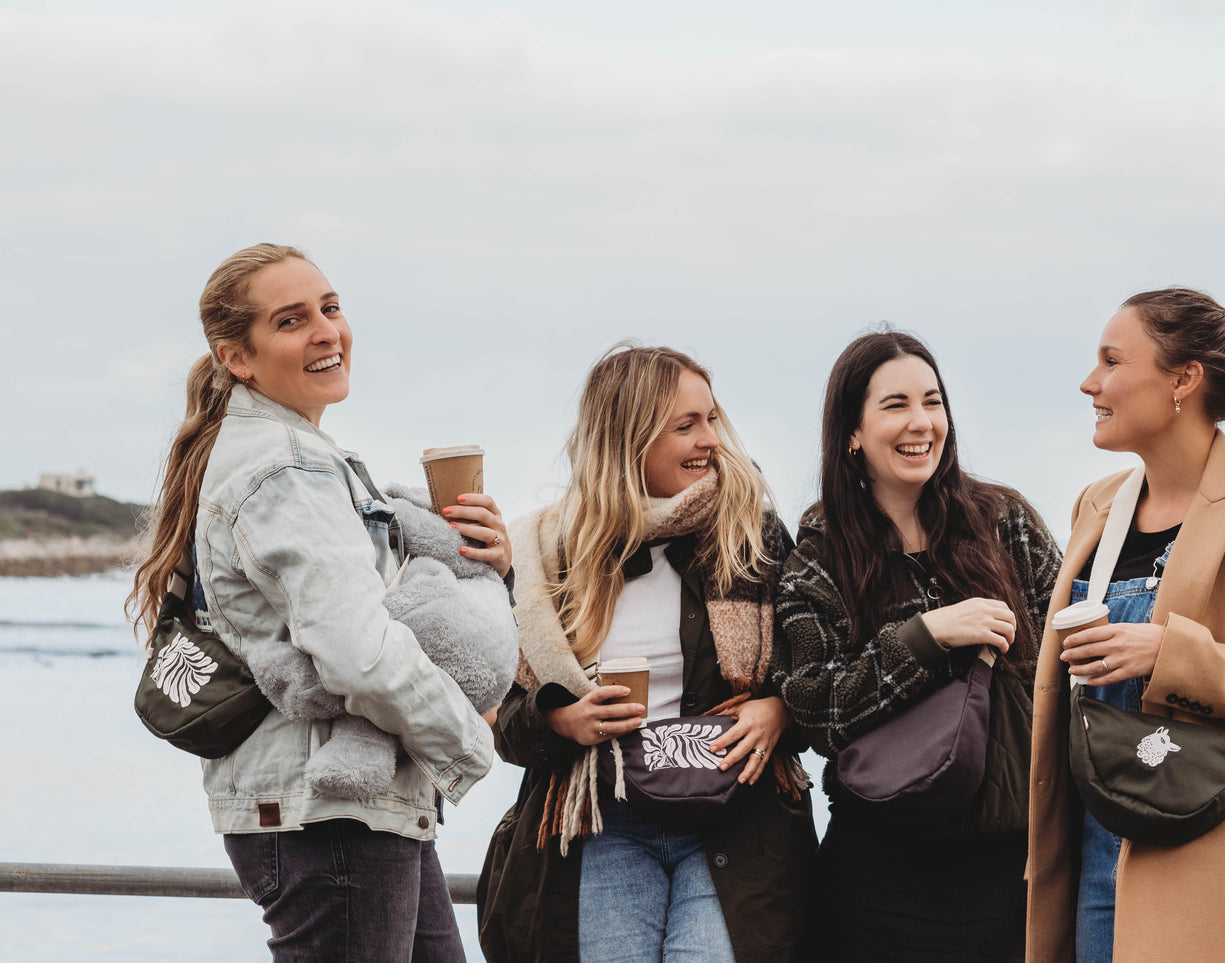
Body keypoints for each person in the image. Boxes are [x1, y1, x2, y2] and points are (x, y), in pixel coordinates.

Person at [127, 243, 514, 962]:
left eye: (330, 308)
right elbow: (357, 649)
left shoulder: (293, 452)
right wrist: (468, 738)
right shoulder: (285, 466)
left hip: (345, 809)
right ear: (237, 357)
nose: (326, 331)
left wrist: (485, 563)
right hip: (327, 813)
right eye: (292, 320)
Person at [1026, 290, 1225, 963]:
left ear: (1182, 379)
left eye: (1111, 361)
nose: (1089, 382)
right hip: (1088, 848)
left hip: (1202, 853)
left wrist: (1168, 652)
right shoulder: (1096, 504)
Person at [478, 343, 817, 963]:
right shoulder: (549, 553)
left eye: (711, 419)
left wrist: (778, 711)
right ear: (627, 439)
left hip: (735, 813)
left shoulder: (753, 532)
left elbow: (814, 666)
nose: (709, 439)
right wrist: (561, 719)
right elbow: (506, 716)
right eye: (685, 426)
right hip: (602, 818)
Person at [772, 330, 1061, 963]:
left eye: (933, 402)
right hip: (877, 876)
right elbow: (816, 711)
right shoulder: (817, 559)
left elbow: (1065, 669)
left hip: (1012, 865)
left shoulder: (1006, 524)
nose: (921, 423)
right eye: (896, 404)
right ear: (852, 431)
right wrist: (925, 638)